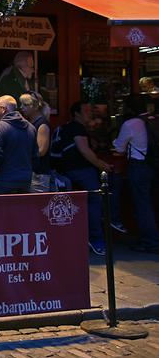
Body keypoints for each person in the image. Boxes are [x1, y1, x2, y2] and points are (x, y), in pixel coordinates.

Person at [52, 101, 113, 255]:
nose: (89, 113)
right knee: (95, 200)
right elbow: (84, 151)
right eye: (85, 111)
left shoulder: (66, 128)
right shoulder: (77, 128)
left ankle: (73, 239)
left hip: (63, 172)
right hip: (81, 170)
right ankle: (96, 238)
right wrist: (102, 165)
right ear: (76, 114)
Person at [112, 95, 159, 253]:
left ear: (130, 108)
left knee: (142, 205)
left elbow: (119, 148)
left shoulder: (130, 124)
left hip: (139, 166)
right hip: (154, 165)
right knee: (151, 203)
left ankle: (149, 241)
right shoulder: (155, 120)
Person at [0, 96, 36, 195]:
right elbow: (35, 156)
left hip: (3, 183)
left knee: (1, 211)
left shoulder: (0, 127)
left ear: (3, 109)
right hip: (25, 182)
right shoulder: (31, 128)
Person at [19, 92, 52, 192]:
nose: (21, 107)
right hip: (29, 173)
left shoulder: (42, 124)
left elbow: (41, 151)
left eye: (25, 105)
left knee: (37, 206)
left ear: (35, 106)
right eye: (21, 104)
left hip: (39, 175)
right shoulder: (29, 123)